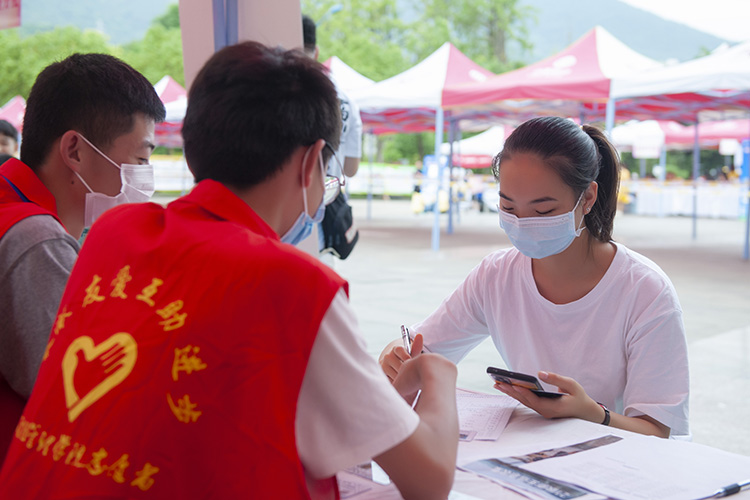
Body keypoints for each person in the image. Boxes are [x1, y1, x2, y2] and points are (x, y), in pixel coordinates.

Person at [0, 42, 459, 499]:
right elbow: (430, 480)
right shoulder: (296, 284)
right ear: (310, 161)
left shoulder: (113, 234)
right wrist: (437, 375)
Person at [380, 116, 689, 439]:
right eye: (508, 208)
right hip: (535, 450)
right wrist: (397, 356)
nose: (523, 223)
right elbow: (423, 348)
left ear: (587, 198)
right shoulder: (496, 275)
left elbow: (657, 430)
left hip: (623, 459)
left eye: (543, 212)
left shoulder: (645, 291)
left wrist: (591, 413)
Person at [0, 53, 165, 463]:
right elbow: (79, 400)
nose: (145, 179)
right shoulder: (36, 240)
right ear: (74, 150)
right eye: (142, 159)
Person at [302, 14, 363, 260]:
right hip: (326, 212)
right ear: (316, 51)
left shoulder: (285, 94)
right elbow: (350, 169)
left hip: (287, 214)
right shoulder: (346, 99)